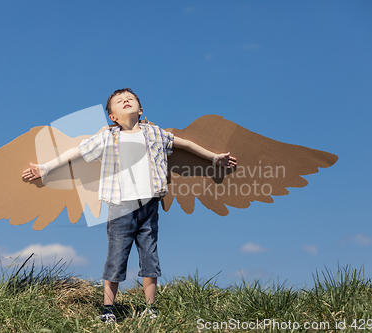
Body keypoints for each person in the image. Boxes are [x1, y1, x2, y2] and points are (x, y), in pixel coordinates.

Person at [22, 88, 236, 323]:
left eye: (130, 99)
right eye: (119, 101)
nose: (125, 101)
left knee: (150, 256)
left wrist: (214, 158)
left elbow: (186, 144)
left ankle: (150, 308)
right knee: (116, 257)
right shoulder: (107, 137)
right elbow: (78, 151)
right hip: (120, 207)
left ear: (140, 110)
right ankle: (107, 309)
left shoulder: (155, 133)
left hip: (150, 205)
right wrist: (45, 168)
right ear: (112, 116)